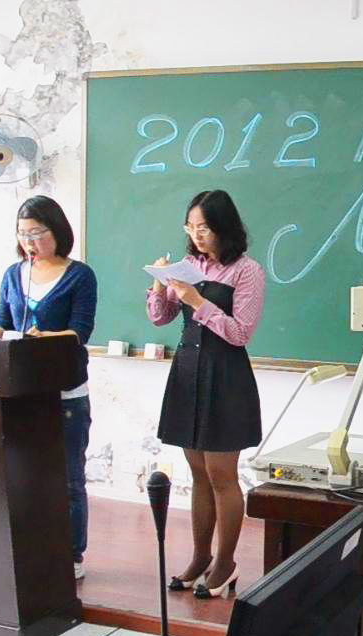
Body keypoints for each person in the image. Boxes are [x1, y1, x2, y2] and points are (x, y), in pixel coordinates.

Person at [147, 189, 265, 599]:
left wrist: (197, 300)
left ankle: (225, 563)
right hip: (188, 371)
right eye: (191, 227)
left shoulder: (246, 271)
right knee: (197, 471)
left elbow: (240, 333)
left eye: (205, 228)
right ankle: (200, 557)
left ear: (224, 228)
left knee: (221, 475)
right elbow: (160, 318)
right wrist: (160, 284)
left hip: (225, 374)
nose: (196, 235)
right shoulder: (189, 266)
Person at [0, 196, 97, 581]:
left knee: (69, 478)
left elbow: (80, 331)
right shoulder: (14, 274)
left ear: (56, 231)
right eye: (22, 234)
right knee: (26, 476)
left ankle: (72, 554)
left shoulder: (80, 275)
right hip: (23, 392)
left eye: (37, 233)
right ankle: (32, 548)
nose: (29, 242)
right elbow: (3, 321)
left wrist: (47, 337)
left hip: (64, 391)